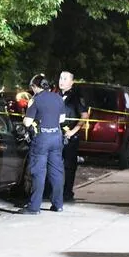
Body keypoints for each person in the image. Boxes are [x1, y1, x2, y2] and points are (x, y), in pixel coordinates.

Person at [18, 74, 66, 215]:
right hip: (56, 137)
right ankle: (58, 204)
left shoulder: (35, 100)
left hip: (42, 138)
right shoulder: (57, 97)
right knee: (56, 172)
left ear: (35, 86)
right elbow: (62, 119)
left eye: (32, 87)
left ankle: (34, 207)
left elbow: (27, 122)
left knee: (38, 172)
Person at [58, 71, 89, 201]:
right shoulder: (56, 95)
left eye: (65, 79)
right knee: (54, 164)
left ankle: (67, 193)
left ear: (72, 82)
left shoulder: (76, 97)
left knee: (69, 166)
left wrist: (74, 131)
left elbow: (84, 115)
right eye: (60, 78)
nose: (61, 81)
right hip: (55, 134)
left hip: (70, 136)